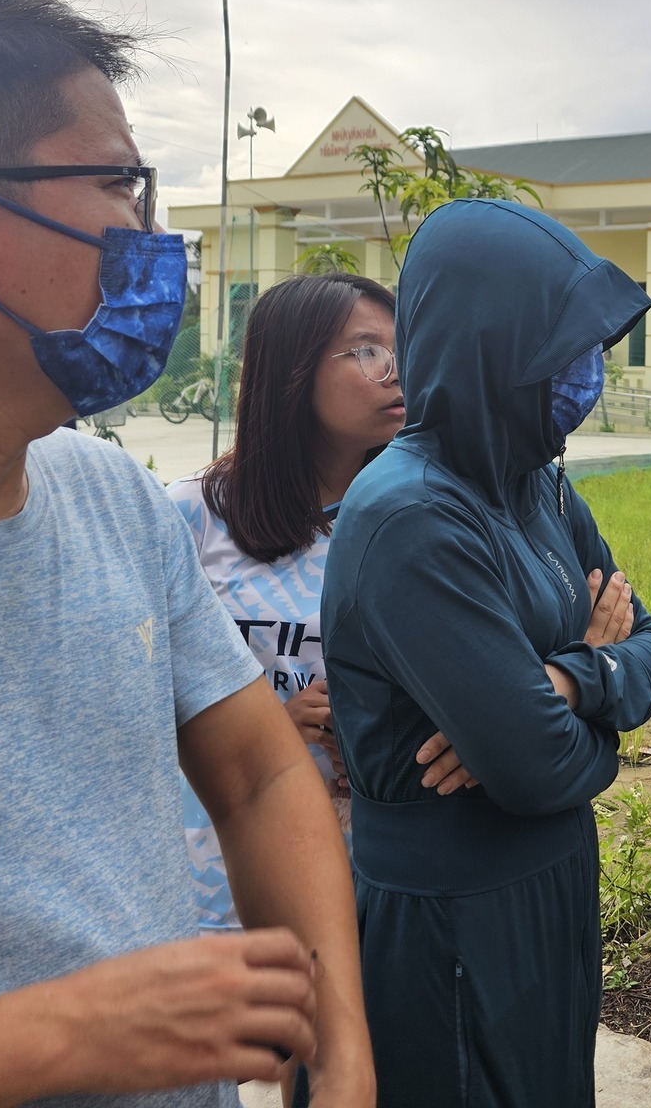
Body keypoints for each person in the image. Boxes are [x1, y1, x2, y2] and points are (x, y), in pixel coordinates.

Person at [0, 0, 372, 1106]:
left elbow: (260, 767)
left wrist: (337, 1045)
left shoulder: (107, 496)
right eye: (119, 183)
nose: (148, 236)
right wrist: (61, 1037)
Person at [322, 197, 651, 1108]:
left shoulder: (541, 487)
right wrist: (561, 707)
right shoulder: (412, 516)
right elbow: (536, 768)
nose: (584, 372)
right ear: (488, 343)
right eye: (561, 347)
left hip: (551, 887)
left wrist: (559, 680)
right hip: (451, 917)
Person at [170, 272, 481, 935]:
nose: (398, 374)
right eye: (367, 351)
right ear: (292, 370)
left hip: (385, 877)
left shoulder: (424, 515)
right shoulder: (190, 517)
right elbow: (128, 709)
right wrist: (264, 729)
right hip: (227, 883)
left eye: (404, 350)